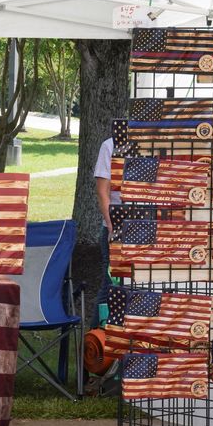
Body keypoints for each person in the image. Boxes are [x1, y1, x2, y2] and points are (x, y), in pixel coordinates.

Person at [92, 136, 120, 328]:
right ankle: (96, 347)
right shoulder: (110, 145)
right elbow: (103, 192)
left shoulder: (159, 143)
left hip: (149, 229)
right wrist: (112, 226)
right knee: (111, 286)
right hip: (116, 230)